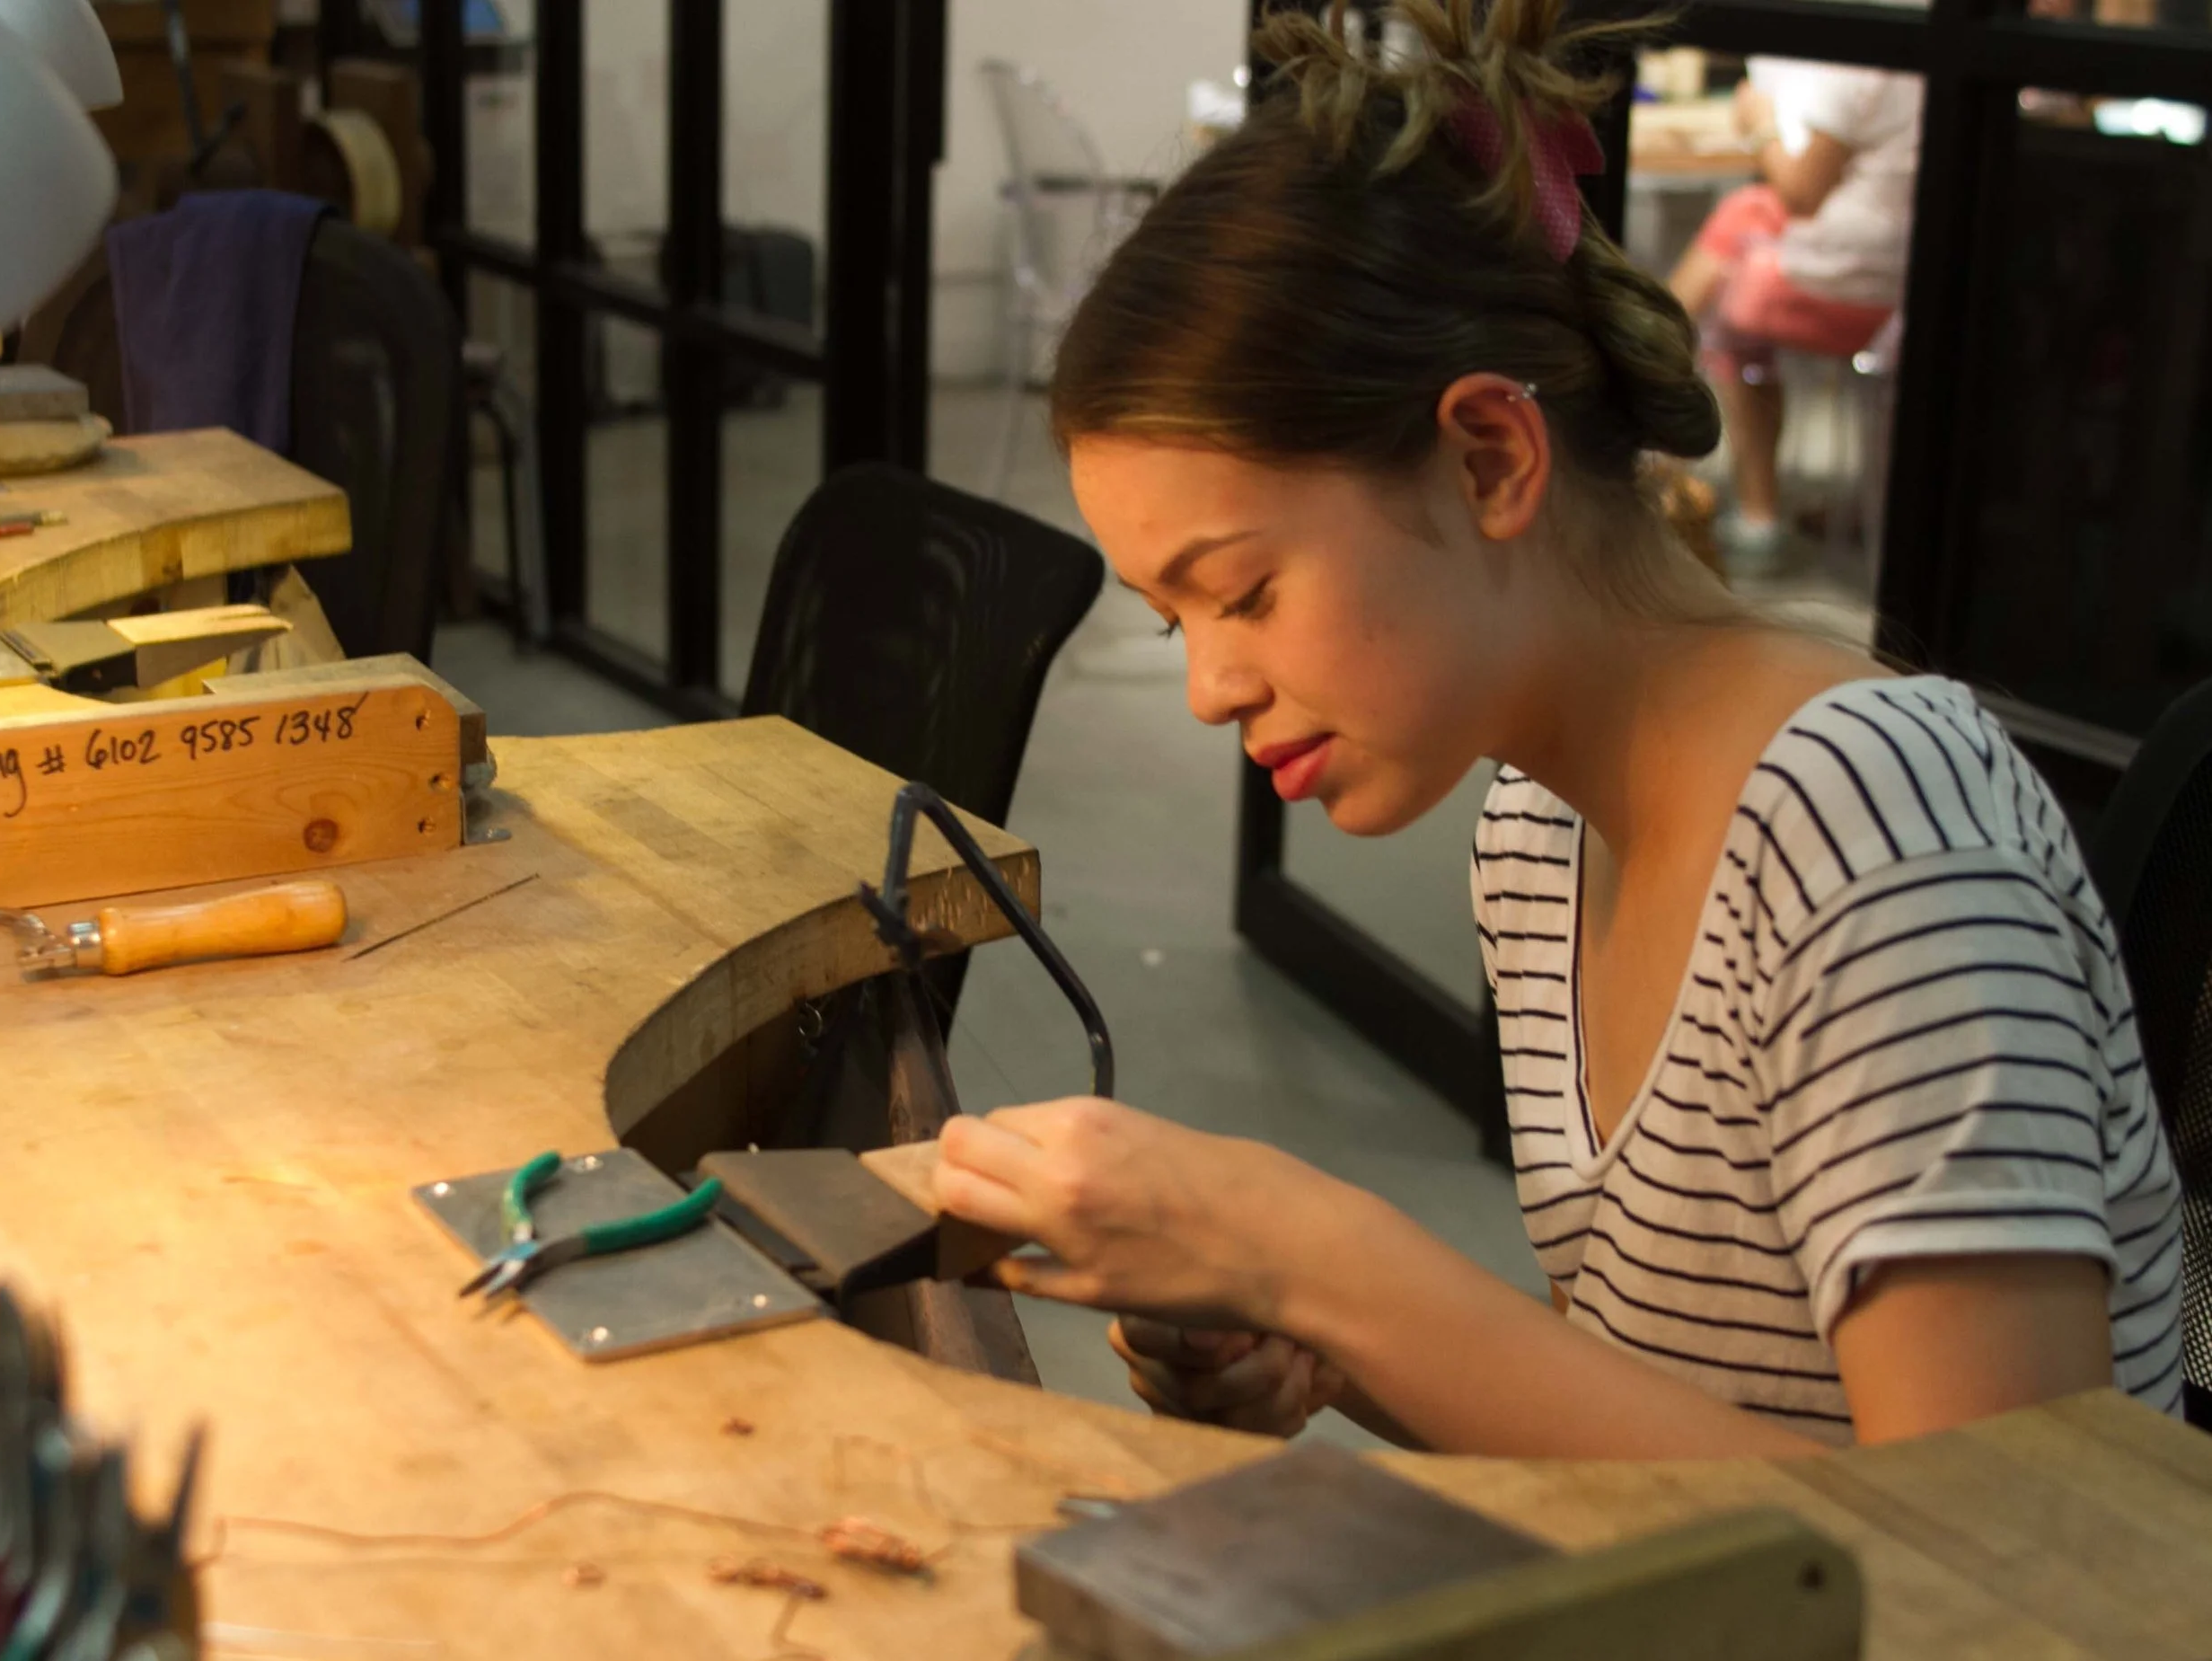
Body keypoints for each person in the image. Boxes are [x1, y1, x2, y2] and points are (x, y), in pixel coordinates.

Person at [929, 0, 2184, 1457]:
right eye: (1174, 621)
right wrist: (1333, 1344)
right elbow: (1676, 1423)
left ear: (1491, 454)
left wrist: (1318, 1258)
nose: (1212, 684)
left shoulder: (1876, 827)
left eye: (1246, 590)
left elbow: (2012, 1573)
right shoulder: (1536, 830)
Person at [1665, 58, 1923, 569]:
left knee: (1728, 312)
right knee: (1745, 216)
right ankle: (1649, 360)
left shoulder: (1860, 69)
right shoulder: (1911, 57)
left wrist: (1758, 122)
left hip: (1857, 286)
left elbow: (1802, 193)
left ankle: (1749, 507)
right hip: (1902, 269)